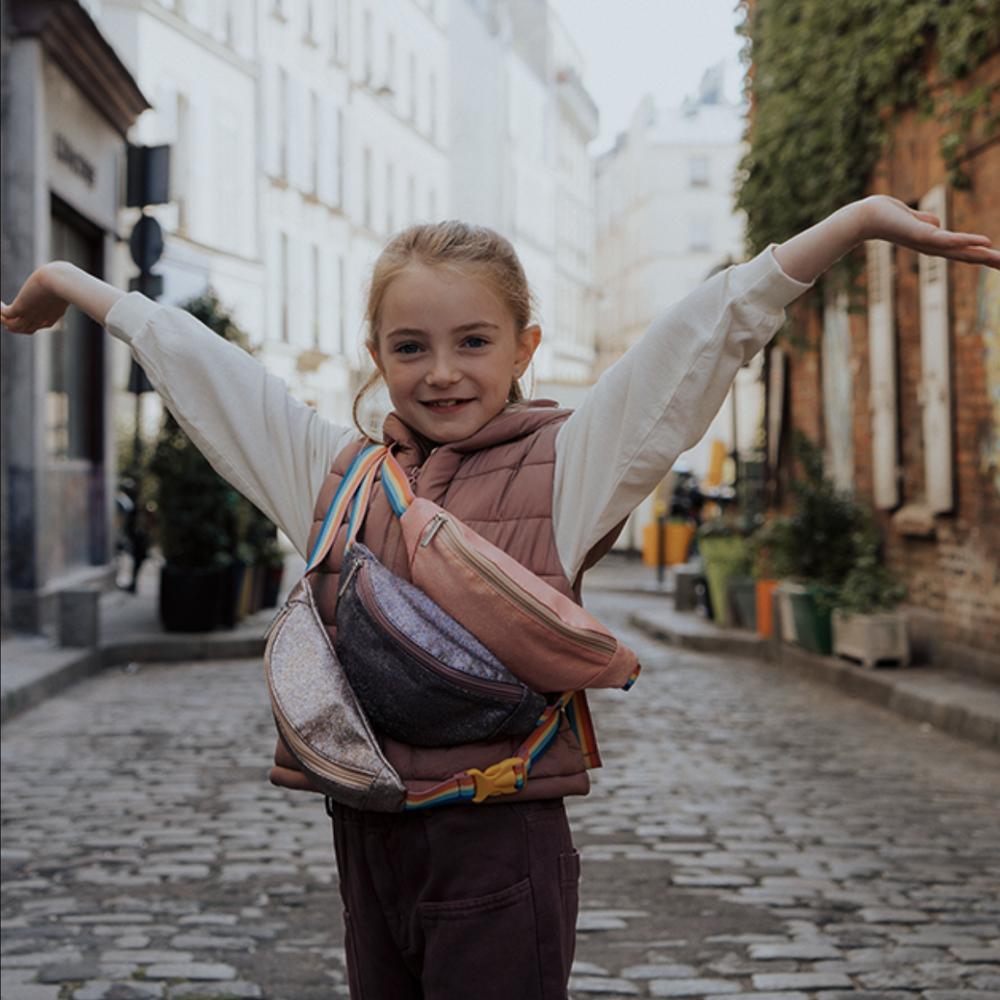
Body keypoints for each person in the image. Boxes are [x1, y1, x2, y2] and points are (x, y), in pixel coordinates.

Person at [2, 195, 996, 998]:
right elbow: (214, 379)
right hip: (368, 837)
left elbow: (697, 344)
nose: (440, 373)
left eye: (473, 342)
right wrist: (76, 285)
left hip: (498, 841)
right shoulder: (340, 475)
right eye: (409, 348)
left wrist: (853, 224)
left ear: (525, 345)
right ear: (377, 353)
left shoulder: (570, 465)